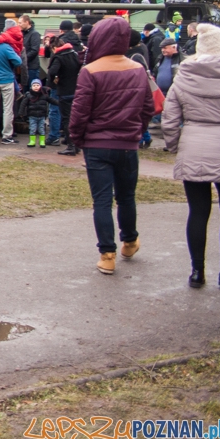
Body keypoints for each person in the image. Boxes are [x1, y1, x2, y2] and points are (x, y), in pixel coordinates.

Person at [67, 17, 153, 276]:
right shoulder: (137, 69)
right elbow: (148, 108)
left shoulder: (90, 70)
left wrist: (78, 138)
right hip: (127, 144)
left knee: (101, 201)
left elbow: (80, 112)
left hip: (97, 145)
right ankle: (129, 241)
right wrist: (136, 131)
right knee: (126, 196)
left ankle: (107, 254)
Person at [161, 23, 220, 288]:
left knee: (197, 212)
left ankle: (197, 271)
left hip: (194, 145)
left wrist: (175, 146)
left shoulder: (184, 77)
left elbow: (169, 119)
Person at [49, 28, 84, 156]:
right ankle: (77, 144)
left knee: (66, 119)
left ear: (54, 48)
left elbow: (52, 72)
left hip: (64, 91)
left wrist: (55, 80)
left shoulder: (59, 57)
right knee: (76, 118)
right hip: (76, 89)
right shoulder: (74, 53)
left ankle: (70, 145)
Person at [24, 78, 55, 147]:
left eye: (37, 85)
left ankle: (42, 141)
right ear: (31, 87)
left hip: (42, 115)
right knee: (32, 129)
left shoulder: (44, 95)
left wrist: (59, 103)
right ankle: (32, 141)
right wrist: (21, 112)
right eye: (34, 85)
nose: (36, 87)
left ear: (41, 86)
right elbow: (24, 103)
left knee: (41, 129)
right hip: (32, 115)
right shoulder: (29, 95)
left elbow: (51, 100)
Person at [18, 14, 42, 84]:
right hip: (23, 67)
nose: (18, 25)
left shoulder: (35, 34)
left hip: (31, 67)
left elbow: (34, 50)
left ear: (27, 22)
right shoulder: (22, 34)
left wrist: (23, 59)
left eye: (20, 23)